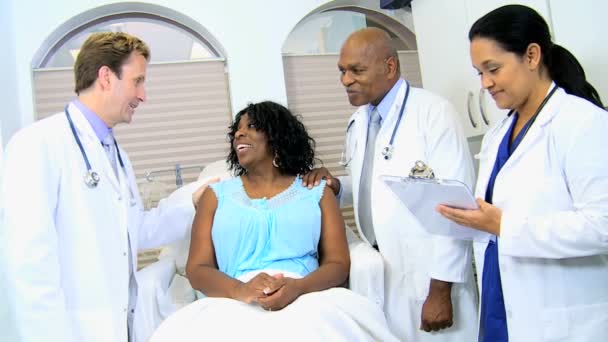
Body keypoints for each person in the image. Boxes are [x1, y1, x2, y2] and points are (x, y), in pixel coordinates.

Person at [0, 32, 211, 342]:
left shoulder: (116, 154)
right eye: (137, 81)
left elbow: (134, 231)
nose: (143, 95)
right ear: (106, 77)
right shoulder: (37, 144)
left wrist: (189, 202)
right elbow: (29, 267)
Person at [150, 101, 397, 341]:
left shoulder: (317, 192)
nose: (239, 134)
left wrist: (298, 287)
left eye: (251, 127)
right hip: (233, 301)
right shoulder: (214, 197)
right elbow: (198, 269)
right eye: (237, 130)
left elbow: (338, 264)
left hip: (307, 296)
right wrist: (242, 290)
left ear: (276, 136)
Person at [437, 4, 608, 342]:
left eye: (493, 69)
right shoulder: (497, 135)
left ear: (532, 56)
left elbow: (602, 224)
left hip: (563, 317)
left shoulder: (583, 123)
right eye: (479, 73)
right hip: (502, 297)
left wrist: (503, 226)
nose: (485, 83)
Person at [302, 27, 478, 341]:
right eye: (342, 71)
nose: (346, 80)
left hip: (428, 274)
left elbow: (457, 209)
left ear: (390, 67)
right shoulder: (358, 121)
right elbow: (380, 186)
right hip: (382, 271)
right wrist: (339, 187)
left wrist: (440, 289)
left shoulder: (433, 113)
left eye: (356, 70)